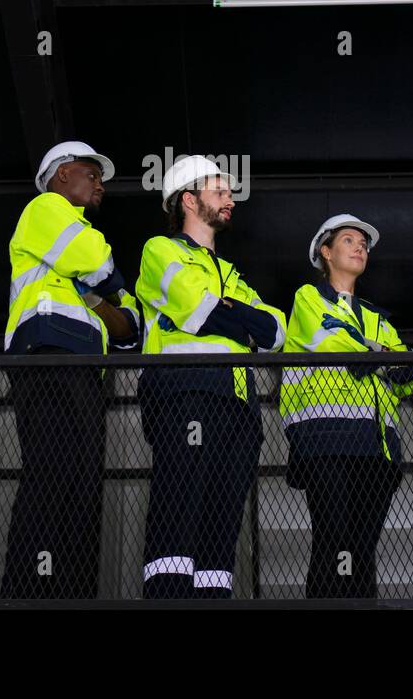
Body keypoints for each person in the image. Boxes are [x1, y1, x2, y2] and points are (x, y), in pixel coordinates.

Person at [135, 155, 285, 598]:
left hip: (238, 403)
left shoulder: (231, 272)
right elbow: (199, 311)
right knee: (179, 503)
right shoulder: (160, 251)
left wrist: (229, 312)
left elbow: (275, 332)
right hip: (186, 389)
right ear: (188, 199)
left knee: (223, 521)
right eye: (219, 190)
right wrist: (239, 316)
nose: (230, 199)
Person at [1, 141, 140, 598]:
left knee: (82, 488)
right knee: (51, 474)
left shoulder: (73, 230)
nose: (100, 184)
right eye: (91, 173)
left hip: (83, 370)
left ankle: (71, 594)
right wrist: (104, 291)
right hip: (48, 357)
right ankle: (27, 592)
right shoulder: (45, 209)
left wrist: (102, 295)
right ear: (62, 175)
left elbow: (129, 329)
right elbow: (101, 266)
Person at [280, 213, 413, 598]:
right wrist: (382, 354)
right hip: (326, 440)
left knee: (362, 552)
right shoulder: (308, 298)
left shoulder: (376, 316)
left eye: (363, 243)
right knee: (332, 542)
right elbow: (333, 344)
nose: (360, 246)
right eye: (349, 240)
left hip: (376, 448)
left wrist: (378, 355)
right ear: (325, 252)